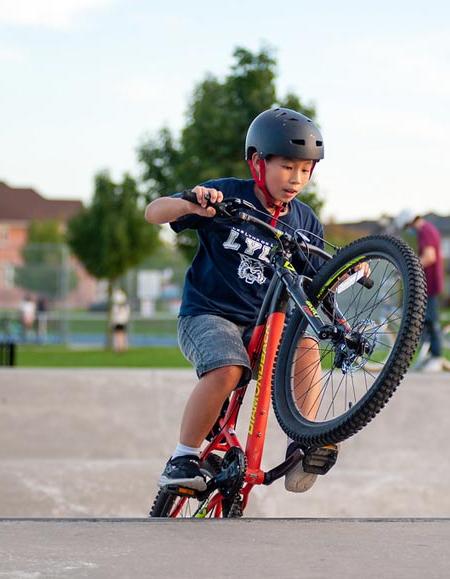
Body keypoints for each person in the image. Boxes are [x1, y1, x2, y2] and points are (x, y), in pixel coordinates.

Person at [144, 107, 335, 494]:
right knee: (229, 368)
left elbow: (318, 279)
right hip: (208, 315)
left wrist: (350, 269)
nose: (296, 179)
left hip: (265, 327)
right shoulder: (227, 195)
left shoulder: (304, 221)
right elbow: (153, 212)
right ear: (257, 163)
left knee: (307, 347)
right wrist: (191, 203)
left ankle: (305, 442)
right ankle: (182, 457)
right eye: (286, 167)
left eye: (304, 170)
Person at [396, 211, 445, 372]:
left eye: (407, 226)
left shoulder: (426, 231)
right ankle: (429, 355)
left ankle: (437, 357)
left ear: (410, 222)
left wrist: (409, 267)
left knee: (431, 321)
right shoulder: (427, 231)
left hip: (430, 284)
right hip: (427, 284)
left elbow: (430, 257)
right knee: (424, 321)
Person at [110, 289, 130, 353]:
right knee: (120, 336)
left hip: (120, 322)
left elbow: (114, 315)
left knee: (120, 336)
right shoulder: (123, 307)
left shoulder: (119, 307)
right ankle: (120, 348)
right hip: (120, 322)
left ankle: (120, 348)